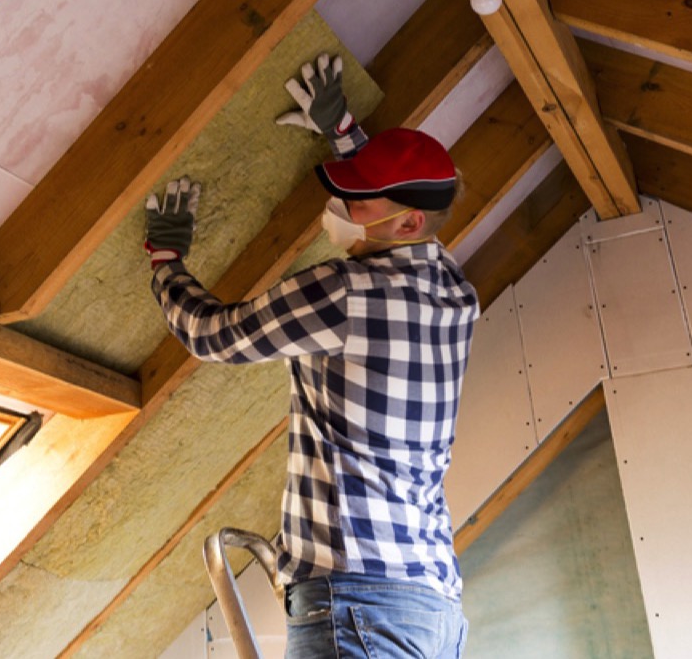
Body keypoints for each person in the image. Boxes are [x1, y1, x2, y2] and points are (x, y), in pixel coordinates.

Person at [143, 54, 478, 659]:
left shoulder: (345, 293)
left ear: (408, 222)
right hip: (431, 604)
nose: (345, 212)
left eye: (360, 203)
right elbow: (410, 210)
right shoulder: (455, 292)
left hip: (359, 604)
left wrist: (165, 264)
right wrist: (346, 133)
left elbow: (213, 336)